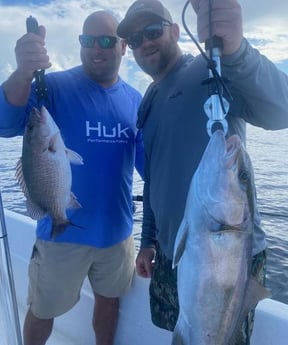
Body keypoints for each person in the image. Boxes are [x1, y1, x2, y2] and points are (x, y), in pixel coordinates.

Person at [117, 0, 288, 344]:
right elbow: (155, 175)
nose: (144, 43)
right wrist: (148, 240)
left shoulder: (210, 67)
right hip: (173, 251)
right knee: (180, 332)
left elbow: (281, 109)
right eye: (135, 39)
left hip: (227, 255)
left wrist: (236, 49)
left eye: (152, 31)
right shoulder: (149, 99)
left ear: (177, 32)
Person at [0, 10, 144, 345]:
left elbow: (148, 166)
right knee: (43, 309)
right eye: (87, 40)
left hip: (117, 234)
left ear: (123, 47)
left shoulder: (136, 100)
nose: (96, 48)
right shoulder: (52, 86)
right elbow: (5, 124)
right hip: (59, 236)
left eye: (107, 41)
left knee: (110, 302)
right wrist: (22, 73)